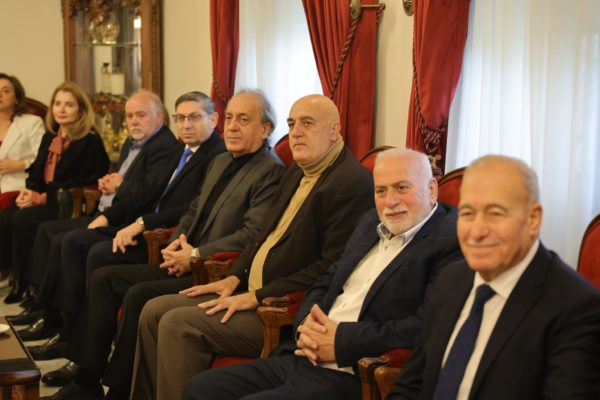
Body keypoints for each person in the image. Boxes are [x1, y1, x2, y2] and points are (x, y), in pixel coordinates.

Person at [42, 89, 287, 400]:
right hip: (184, 258)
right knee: (105, 278)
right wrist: (174, 244)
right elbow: (193, 210)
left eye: (244, 120)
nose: (233, 127)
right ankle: (87, 381)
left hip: (213, 272)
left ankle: (119, 392)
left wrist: (194, 254)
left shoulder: (270, 170)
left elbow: (250, 235)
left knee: (137, 295)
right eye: (230, 118)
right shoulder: (221, 160)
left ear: (265, 129)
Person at [131, 94, 375, 400]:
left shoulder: (350, 182)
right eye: (292, 124)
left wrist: (255, 296)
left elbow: (329, 268)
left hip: (279, 308)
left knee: (177, 323)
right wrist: (233, 277)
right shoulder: (297, 171)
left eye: (307, 124)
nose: (296, 132)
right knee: (153, 310)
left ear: (335, 130)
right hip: (247, 290)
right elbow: (260, 236)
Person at [180, 148, 463, 400]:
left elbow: (423, 326)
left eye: (402, 188)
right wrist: (307, 326)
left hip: (353, 372)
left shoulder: (449, 240)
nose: (390, 201)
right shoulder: (370, 223)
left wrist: (340, 341)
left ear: (432, 189)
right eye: (380, 191)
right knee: (202, 388)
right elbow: (327, 279)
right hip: (305, 355)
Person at [17, 91, 225, 360]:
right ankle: (61, 326)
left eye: (194, 117)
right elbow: (153, 194)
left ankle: (73, 337)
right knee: (68, 239)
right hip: (141, 224)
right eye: (181, 118)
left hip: (164, 237)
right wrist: (113, 214)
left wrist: (138, 222)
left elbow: (188, 208)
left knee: (88, 248)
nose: (186, 125)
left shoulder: (215, 155)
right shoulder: (181, 149)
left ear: (213, 119)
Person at [387, 155, 600, 400]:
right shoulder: (450, 280)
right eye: (467, 213)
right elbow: (411, 387)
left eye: (495, 214)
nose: (477, 231)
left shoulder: (576, 308)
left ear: (533, 220)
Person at [0, 81, 110, 304]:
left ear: (81, 109)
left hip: (67, 204)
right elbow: (35, 173)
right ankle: (18, 279)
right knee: (8, 214)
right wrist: (29, 192)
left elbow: (85, 181)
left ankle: (32, 286)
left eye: (69, 105)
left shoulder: (90, 140)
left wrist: (41, 197)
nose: (62, 109)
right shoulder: (50, 136)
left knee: (23, 219)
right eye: (58, 104)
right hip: (45, 200)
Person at [0, 73, 45, 288]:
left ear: (16, 97)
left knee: (5, 209)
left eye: (6, 90)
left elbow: (42, 158)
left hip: (19, 184)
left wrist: (19, 164)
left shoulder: (31, 123)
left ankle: (6, 269)